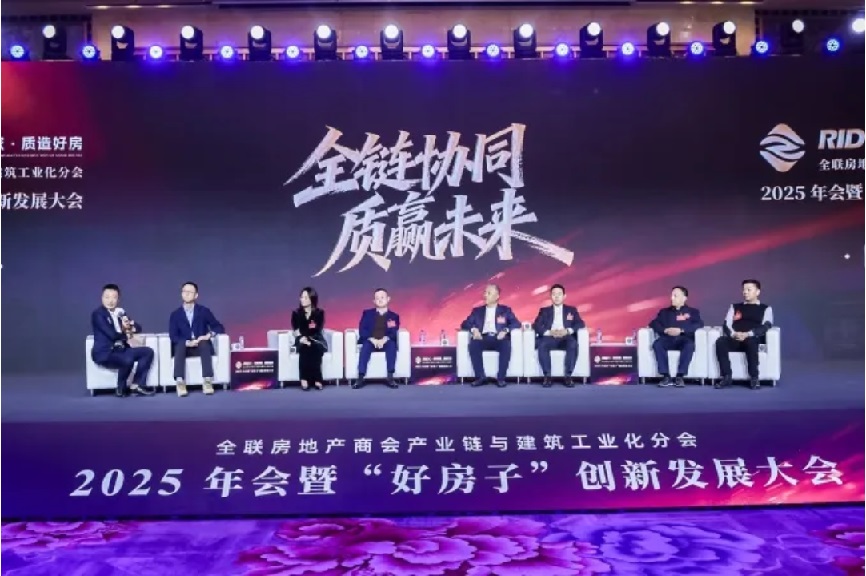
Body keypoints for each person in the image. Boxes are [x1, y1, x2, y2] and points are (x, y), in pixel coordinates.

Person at [90, 283, 155, 397]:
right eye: (107, 297)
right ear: (102, 298)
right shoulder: (98, 314)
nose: (110, 301)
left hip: (120, 350)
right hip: (105, 353)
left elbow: (138, 328)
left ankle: (137, 385)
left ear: (118, 299)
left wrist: (130, 326)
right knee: (127, 358)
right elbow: (112, 335)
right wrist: (127, 333)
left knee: (147, 352)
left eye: (114, 297)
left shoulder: (120, 312)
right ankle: (121, 388)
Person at [714, 279, 774, 390]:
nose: (745, 292)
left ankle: (754, 378)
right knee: (720, 341)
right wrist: (734, 334)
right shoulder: (734, 307)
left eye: (748, 290)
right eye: (744, 289)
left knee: (751, 342)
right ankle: (727, 376)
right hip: (735, 338)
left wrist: (748, 334)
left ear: (757, 292)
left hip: (752, 338)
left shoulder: (766, 308)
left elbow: (766, 325)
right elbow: (726, 324)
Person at [168, 281, 225, 397]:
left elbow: (219, 327)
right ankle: (180, 382)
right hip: (184, 348)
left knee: (204, 342)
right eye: (184, 291)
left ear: (196, 295)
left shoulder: (203, 311)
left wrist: (208, 335)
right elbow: (173, 336)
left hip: (201, 347)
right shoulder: (175, 315)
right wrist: (187, 343)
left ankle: (207, 381)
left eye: (190, 292)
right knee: (180, 344)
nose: (186, 294)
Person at [461, 284, 521, 387]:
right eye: (485, 292)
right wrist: (474, 330)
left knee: (506, 345)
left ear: (497, 296)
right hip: (482, 337)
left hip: (499, 338)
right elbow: (465, 323)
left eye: (489, 293)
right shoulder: (477, 311)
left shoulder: (505, 310)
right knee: (473, 344)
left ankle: (501, 378)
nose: (485, 295)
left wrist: (505, 330)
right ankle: (480, 377)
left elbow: (516, 323)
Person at [649, 286, 704, 388]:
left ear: (684, 298)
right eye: (671, 295)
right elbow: (654, 323)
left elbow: (698, 324)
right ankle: (666, 376)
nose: (672, 298)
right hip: (668, 339)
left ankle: (680, 376)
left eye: (675, 296)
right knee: (657, 344)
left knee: (690, 345)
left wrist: (681, 330)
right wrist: (665, 330)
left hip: (684, 339)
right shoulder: (664, 312)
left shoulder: (693, 312)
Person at [532, 283, 584, 388]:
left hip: (566, 337)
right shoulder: (544, 311)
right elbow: (536, 325)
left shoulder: (571, 310)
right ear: (551, 296)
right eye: (554, 294)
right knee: (542, 345)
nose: (556, 296)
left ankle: (568, 376)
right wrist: (549, 332)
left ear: (564, 296)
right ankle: (547, 376)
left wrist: (567, 331)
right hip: (550, 337)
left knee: (573, 344)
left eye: (559, 294)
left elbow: (580, 323)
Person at [353, 288, 400, 390]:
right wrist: (372, 339)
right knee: (366, 346)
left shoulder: (394, 316)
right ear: (374, 301)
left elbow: (393, 332)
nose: (380, 300)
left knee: (392, 345)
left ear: (388, 299)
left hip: (386, 341)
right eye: (377, 298)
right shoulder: (367, 313)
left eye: (382, 297)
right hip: (371, 340)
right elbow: (362, 329)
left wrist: (385, 339)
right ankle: (360, 377)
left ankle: (390, 377)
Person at [291, 287, 327, 391]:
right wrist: (302, 338)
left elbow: (318, 329)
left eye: (306, 297)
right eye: (301, 297)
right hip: (301, 339)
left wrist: (309, 340)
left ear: (312, 299)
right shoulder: (296, 313)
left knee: (314, 347)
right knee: (304, 348)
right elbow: (296, 330)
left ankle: (314, 379)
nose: (302, 299)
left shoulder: (319, 313)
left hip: (316, 339)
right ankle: (306, 379)